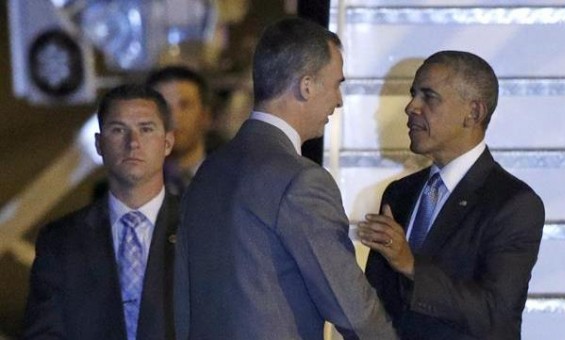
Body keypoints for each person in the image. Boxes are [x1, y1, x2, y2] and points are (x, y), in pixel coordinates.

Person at [174, 18, 396, 340]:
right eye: (336, 84)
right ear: (306, 86)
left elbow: (185, 299)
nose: (339, 100)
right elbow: (354, 313)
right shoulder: (301, 181)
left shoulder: (210, 171)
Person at [358, 51, 545, 339]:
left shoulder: (514, 203)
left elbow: (496, 315)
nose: (411, 107)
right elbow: (374, 299)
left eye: (428, 96)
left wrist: (411, 266)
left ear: (474, 113)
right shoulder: (399, 193)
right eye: (413, 95)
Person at [23, 84, 179, 340]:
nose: (133, 143)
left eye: (146, 129)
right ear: (99, 143)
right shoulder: (60, 241)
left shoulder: (204, 229)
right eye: (118, 130)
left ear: (167, 143)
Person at [146, 65, 212, 196]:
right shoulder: (124, 188)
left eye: (185, 105)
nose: (174, 117)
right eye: (163, 106)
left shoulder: (237, 181)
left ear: (205, 115)